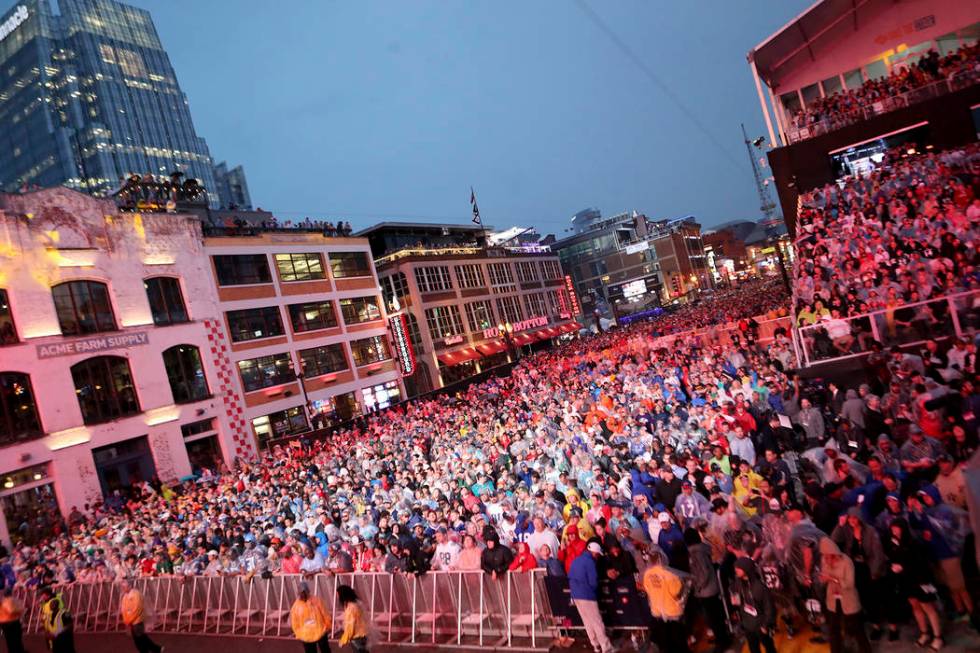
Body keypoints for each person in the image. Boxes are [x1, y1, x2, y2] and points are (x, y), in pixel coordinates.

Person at [818, 538, 871, 653]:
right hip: (833, 600)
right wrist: (823, 578)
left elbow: (849, 584)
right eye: (824, 556)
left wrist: (832, 578)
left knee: (857, 629)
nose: (825, 558)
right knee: (834, 630)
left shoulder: (846, 562)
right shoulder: (824, 560)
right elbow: (824, 576)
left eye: (827, 556)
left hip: (848, 600)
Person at [641, 547, 690, 653]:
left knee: (665, 641)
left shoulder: (647, 575)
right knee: (679, 640)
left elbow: (648, 590)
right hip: (672, 611)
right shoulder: (669, 574)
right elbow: (676, 591)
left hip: (657, 612)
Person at [568, 541, 613, 653]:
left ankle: (595, 645)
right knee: (597, 622)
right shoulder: (590, 562)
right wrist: (593, 591)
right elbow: (593, 581)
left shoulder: (576, 560)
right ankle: (605, 647)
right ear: (594, 553)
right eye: (597, 554)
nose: (598, 557)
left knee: (587, 621)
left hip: (575, 595)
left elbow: (570, 577)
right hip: (587, 595)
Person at [731, 558, 776, 653]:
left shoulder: (760, 587)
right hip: (748, 625)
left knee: (769, 647)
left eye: (738, 568)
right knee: (753, 649)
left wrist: (765, 625)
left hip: (761, 625)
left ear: (746, 569)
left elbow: (769, 608)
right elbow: (738, 602)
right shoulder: (737, 584)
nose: (736, 570)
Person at [120, 578, 163, 653]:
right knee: (140, 638)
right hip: (131, 621)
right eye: (122, 586)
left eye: (124, 586)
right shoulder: (125, 596)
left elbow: (137, 608)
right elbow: (123, 609)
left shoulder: (136, 594)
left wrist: (129, 619)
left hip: (137, 620)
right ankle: (156, 649)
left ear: (130, 585)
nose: (122, 588)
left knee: (140, 638)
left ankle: (155, 649)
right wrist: (126, 619)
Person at [290, 581, 332, 653]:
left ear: (307, 592)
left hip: (320, 631)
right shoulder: (296, 606)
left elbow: (325, 614)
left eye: (304, 592)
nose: (302, 595)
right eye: (301, 593)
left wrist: (327, 626)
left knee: (325, 650)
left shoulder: (317, 601)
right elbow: (294, 622)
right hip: (306, 635)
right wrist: (299, 634)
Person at [40, 585, 75, 653]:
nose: (51, 605)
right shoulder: (46, 606)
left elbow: (69, 625)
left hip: (63, 638)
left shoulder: (64, 613)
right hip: (54, 636)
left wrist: (56, 633)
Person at [337, 585, 368, 653]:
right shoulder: (356, 604)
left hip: (357, 637)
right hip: (363, 634)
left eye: (338, 595)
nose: (337, 597)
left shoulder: (350, 609)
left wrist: (343, 640)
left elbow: (350, 627)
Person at [0, 588, 24, 653]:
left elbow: (11, 610)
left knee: (9, 640)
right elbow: (20, 610)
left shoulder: (3, 601)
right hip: (14, 622)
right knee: (16, 639)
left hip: (5, 623)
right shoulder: (14, 600)